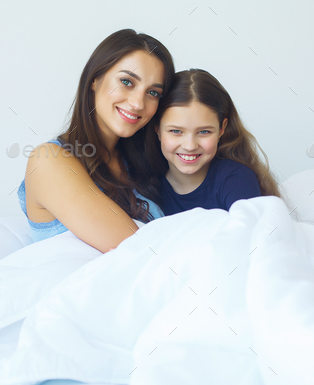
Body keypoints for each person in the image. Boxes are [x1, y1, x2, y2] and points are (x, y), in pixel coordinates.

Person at [17, 29, 175, 252]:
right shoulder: (48, 162)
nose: (138, 103)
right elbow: (138, 250)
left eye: (153, 93)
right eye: (127, 82)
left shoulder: (140, 163)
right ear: (95, 79)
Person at [146, 68, 281, 216]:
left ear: (222, 129)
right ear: (157, 128)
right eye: (176, 131)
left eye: (204, 132)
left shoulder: (236, 179)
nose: (190, 146)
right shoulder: (146, 187)